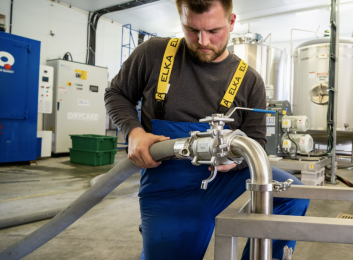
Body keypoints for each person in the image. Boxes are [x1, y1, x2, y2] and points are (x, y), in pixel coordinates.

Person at [104, 0, 310, 259]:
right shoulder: (154, 53)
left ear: (232, 22)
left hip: (225, 179)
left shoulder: (249, 80)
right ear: (181, 19)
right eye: (192, 29)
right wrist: (134, 132)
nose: (203, 41)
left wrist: (235, 162)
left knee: (294, 193)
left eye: (214, 31)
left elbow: (256, 140)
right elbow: (116, 93)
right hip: (168, 183)